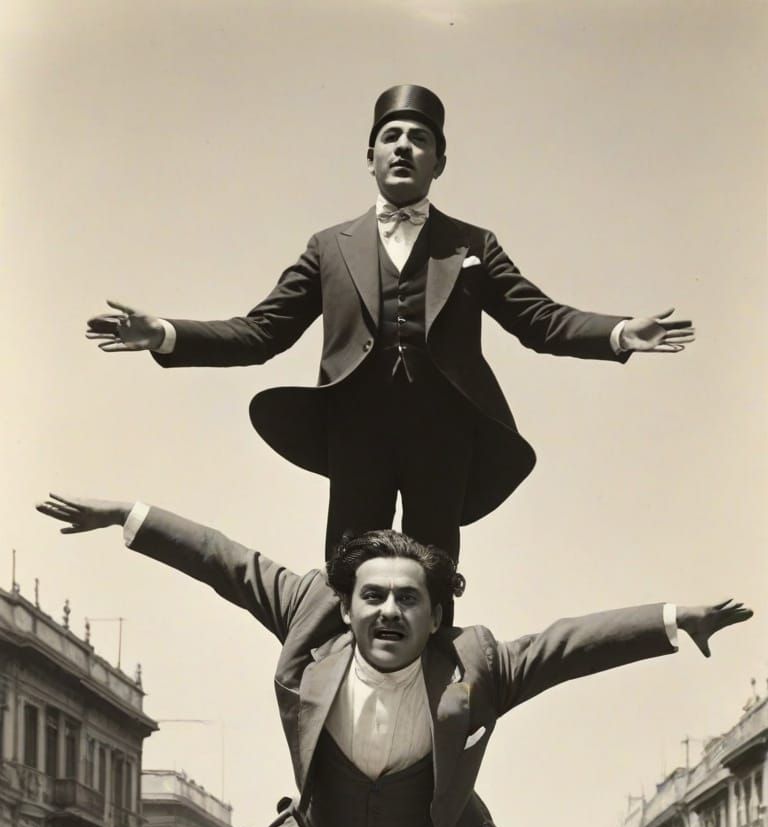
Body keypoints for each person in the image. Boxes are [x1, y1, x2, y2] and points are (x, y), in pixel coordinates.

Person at [36, 494, 753, 827]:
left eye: (408, 600)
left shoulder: (477, 665)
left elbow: (566, 646)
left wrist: (671, 621)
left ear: (435, 614)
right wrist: (131, 518)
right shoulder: (308, 622)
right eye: (371, 596)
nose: (388, 611)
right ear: (346, 605)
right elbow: (230, 563)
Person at [86, 86, 694, 565]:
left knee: (432, 577)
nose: (404, 146)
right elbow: (262, 332)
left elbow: (538, 320)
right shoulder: (328, 247)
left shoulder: (472, 244)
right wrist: (165, 333)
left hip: (445, 436)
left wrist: (618, 333)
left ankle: (433, 711)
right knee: (350, 574)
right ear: (370, 155)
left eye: (420, 139)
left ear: (440, 161)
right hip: (355, 432)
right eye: (392, 136)